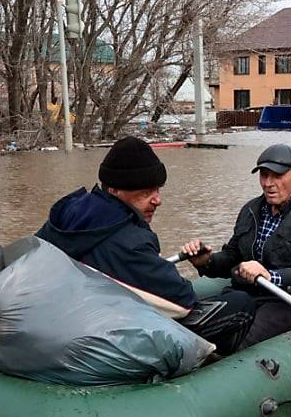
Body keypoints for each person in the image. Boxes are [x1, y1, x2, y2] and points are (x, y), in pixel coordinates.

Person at [36, 136, 254, 348]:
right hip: (100, 336)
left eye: (158, 189)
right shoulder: (129, 240)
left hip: (58, 321)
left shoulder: (67, 212)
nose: (157, 200)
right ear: (115, 191)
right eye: (146, 192)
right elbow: (182, 300)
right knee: (240, 304)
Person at [181, 143, 291, 354]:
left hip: (289, 300)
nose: (268, 183)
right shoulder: (250, 210)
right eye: (264, 175)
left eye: (277, 176)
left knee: (239, 344)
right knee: (195, 330)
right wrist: (206, 262)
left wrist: (271, 276)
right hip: (244, 294)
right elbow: (233, 256)